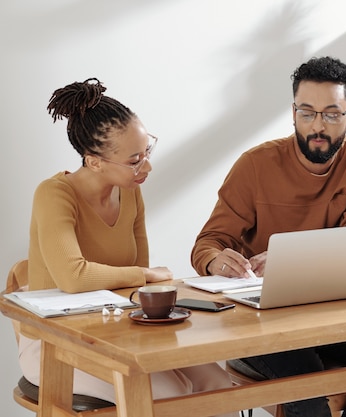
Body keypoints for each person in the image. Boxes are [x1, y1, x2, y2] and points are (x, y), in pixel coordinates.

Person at [191, 57, 346, 417]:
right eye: (307, 113)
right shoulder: (255, 164)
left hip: (336, 313)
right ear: (293, 113)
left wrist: (287, 257)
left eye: (330, 114)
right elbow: (208, 243)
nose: (317, 126)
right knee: (308, 387)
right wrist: (216, 259)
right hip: (264, 321)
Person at [20, 78, 236, 415]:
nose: (146, 166)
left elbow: (139, 287)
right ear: (94, 161)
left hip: (121, 333)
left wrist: (148, 282)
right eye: (134, 160)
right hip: (56, 342)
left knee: (218, 384)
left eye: (147, 151)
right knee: (170, 392)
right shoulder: (54, 194)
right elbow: (72, 277)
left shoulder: (131, 191)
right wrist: (144, 273)